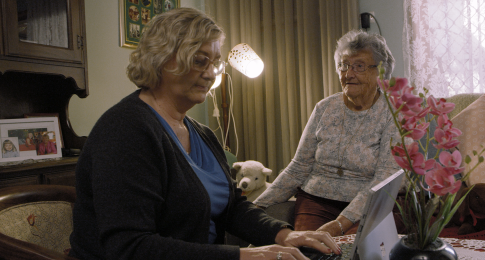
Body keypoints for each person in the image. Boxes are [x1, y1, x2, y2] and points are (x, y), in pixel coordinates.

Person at [68, 8, 340, 260]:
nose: (210, 73)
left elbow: (231, 208)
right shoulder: (125, 131)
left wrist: (286, 235)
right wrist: (247, 256)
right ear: (161, 59)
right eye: (200, 61)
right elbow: (131, 247)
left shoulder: (202, 134)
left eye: (215, 62)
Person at [254, 30, 401, 237]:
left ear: (381, 72)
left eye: (359, 66)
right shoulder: (325, 108)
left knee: (352, 252)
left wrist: (339, 224)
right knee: (309, 251)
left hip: (367, 204)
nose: (348, 74)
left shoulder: (392, 114)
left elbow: (384, 179)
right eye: (343, 65)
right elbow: (298, 167)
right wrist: (256, 207)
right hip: (316, 200)